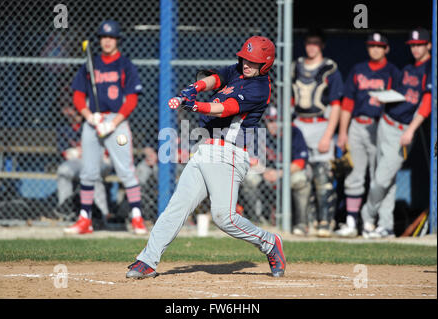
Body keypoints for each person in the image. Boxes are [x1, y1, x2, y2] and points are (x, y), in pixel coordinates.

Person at [126, 36, 286, 279]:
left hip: (229, 154)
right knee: (177, 207)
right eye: (245, 58)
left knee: (225, 218)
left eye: (253, 62)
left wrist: (195, 106)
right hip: (206, 149)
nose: (246, 64)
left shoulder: (259, 87)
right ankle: (147, 260)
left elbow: (227, 108)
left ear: (265, 65)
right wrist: (195, 87)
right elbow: (216, 78)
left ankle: (269, 243)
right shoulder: (238, 72)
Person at [64, 20, 147, 235]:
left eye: (111, 37)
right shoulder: (90, 65)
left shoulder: (125, 65)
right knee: (88, 172)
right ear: (99, 40)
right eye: (104, 37)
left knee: (126, 171)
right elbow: (78, 95)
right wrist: (89, 117)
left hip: (115, 123)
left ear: (117, 40)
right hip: (94, 121)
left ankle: (137, 217)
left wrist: (113, 122)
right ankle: (85, 220)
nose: (107, 41)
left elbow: (131, 99)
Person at [360, 27, 432, 238]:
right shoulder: (409, 68)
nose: (416, 49)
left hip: (403, 130)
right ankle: (386, 226)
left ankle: (367, 217)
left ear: (428, 45)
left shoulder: (430, 68)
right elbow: (401, 94)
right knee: (387, 180)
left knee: (381, 179)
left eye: (420, 45)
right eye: (413, 46)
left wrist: (411, 130)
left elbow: (426, 103)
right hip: (387, 122)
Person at [335, 32, 401, 238]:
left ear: (386, 49)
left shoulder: (393, 72)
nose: (375, 49)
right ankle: (352, 222)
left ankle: (377, 224)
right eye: (372, 45)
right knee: (354, 175)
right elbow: (347, 103)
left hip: (380, 126)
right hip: (358, 125)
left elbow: (400, 104)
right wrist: (343, 132)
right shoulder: (358, 69)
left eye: (379, 46)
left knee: (379, 177)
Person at [291, 29, 344, 237]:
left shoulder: (330, 68)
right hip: (299, 125)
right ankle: (304, 223)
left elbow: (336, 104)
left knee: (322, 177)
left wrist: (328, 134)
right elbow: (289, 99)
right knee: (301, 177)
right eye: (308, 42)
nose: (311, 46)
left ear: (322, 45)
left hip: (321, 124)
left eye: (316, 43)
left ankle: (325, 222)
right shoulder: (295, 67)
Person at [56, 105, 112, 221]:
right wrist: (76, 152)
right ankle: (65, 210)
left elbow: (107, 148)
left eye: (74, 110)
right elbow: (66, 153)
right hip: (79, 160)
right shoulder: (63, 126)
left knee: (92, 172)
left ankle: (103, 214)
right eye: (68, 109)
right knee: (63, 171)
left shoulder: (95, 122)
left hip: (101, 159)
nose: (71, 113)